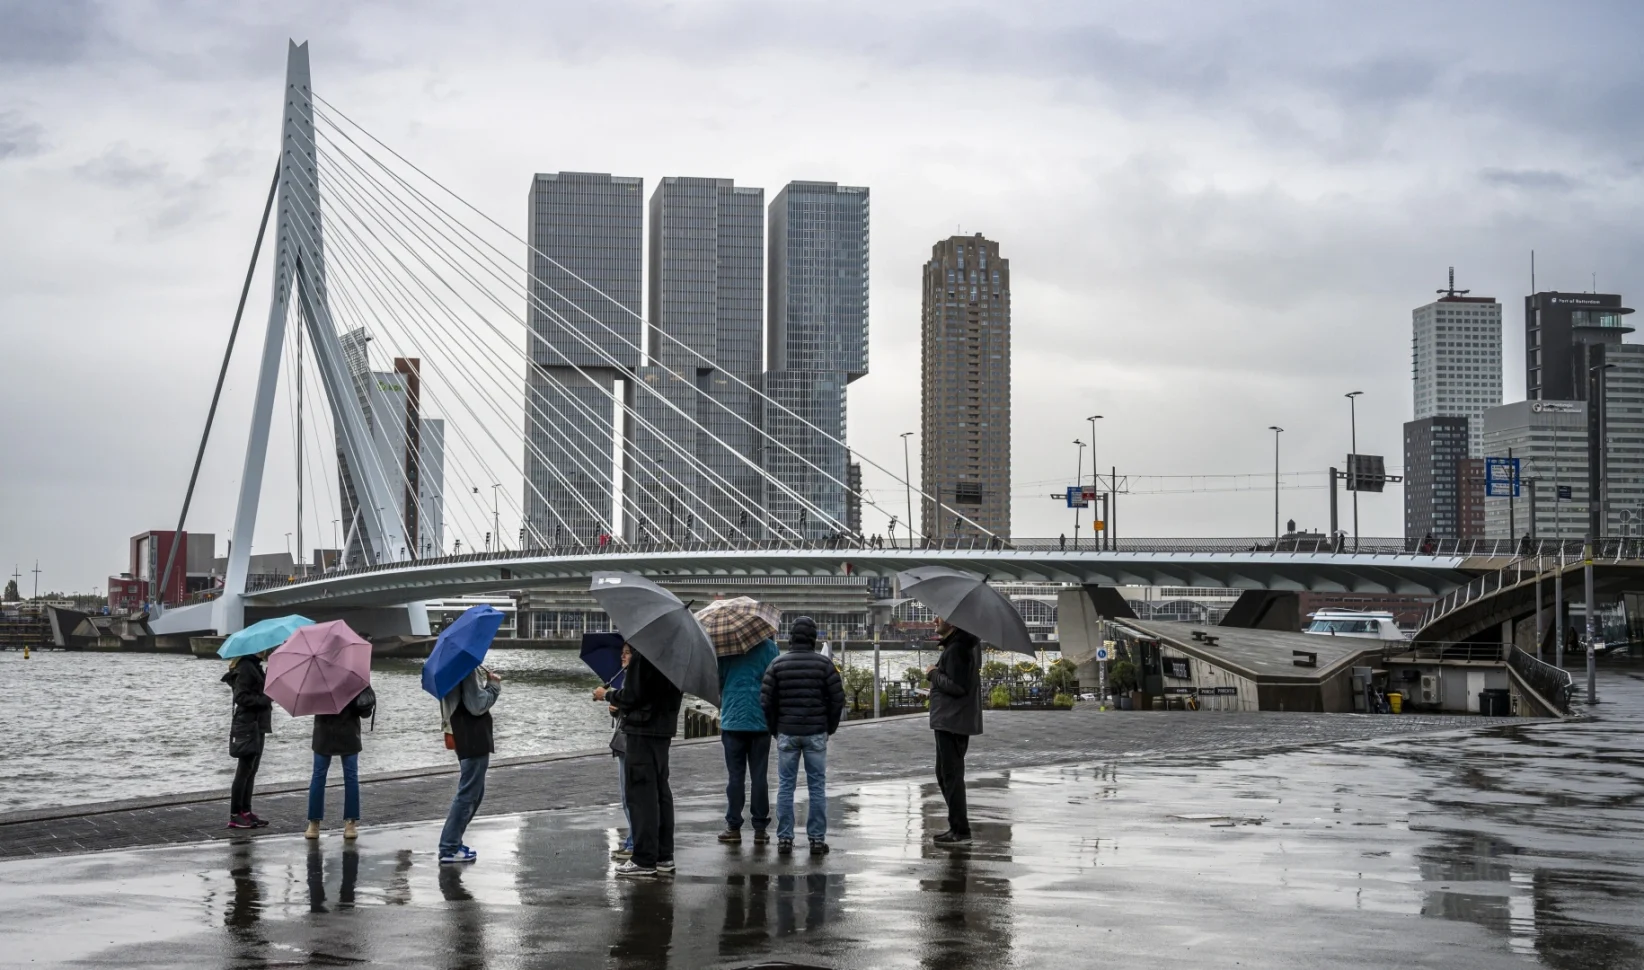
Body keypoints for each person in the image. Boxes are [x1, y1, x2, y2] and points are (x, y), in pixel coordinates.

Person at [760, 616, 845, 857]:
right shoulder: (825, 665)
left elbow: (766, 701)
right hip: (816, 732)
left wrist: (774, 728)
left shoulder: (777, 664)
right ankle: (817, 840)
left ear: (791, 637)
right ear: (813, 638)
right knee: (816, 786)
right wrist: (829, 726)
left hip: (786, 731)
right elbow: (837, 699)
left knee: (786, 785)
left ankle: (785, 839)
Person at [598, 647, 683, 877]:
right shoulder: (676, 656)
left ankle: (644, 859)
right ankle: (664, 856)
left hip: (642, 731)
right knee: (661, 792)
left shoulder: (644, 655)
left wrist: (608, 695)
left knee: (641, 794)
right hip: (663, 731)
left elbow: (634, 695)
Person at [717, 635, 780, 845]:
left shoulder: (726, 648)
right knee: (759, 776)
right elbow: (775, 681)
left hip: (733, 720)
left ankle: (733, 826)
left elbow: (718, 680)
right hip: (760, 720)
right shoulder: (770, 648)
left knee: (735, 777)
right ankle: (760, 828)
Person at [926, 618, 982, 846]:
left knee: (951, 775)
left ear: (954, 623)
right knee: (944, 773)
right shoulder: (956, 647)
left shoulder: (958, 649)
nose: (934, 620)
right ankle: (956, 825)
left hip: (952, 720)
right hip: (950, 719)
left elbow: (958, 686)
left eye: (940, 615)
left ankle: (960, 829)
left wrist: (932, 674)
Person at [438, 664, 501, 864]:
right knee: (468, 794)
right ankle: (449, 847)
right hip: (472, 733)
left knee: (475, 792)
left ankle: (453, 842)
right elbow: (477, 705)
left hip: (459, 730)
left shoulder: (447, 666)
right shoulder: (467, 669)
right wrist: (493, 685)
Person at [305, 684, 377, 841]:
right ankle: (350, 823)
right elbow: (364, 711)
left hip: (324, 729)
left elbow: (310, 703)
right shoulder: (354, 675)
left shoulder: (317, 674)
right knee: (350, 776)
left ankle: (314, 823)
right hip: (348, 729)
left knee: (319, 775)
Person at [222, 649, 274, 830]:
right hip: (248, 725)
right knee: (244, 771)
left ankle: (246, 810)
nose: (265, 651)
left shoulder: (255, 666)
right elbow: (241, 697)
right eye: (262, 648)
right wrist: (265, 699)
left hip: (257, 724)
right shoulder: (245, 667)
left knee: (252, 770)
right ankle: (235, 814)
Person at [607, 644, 635, 859]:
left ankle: (634, 842)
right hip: (627, 740)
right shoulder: (630, 678)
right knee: (629, 795)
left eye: (626, 653)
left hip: (629, 743)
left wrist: (609, 696)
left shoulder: (634, 678)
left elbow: (634, 702)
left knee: (629, 796)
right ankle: (633, 839)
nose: (622, 656)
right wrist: (616, 709)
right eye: (622, 652)